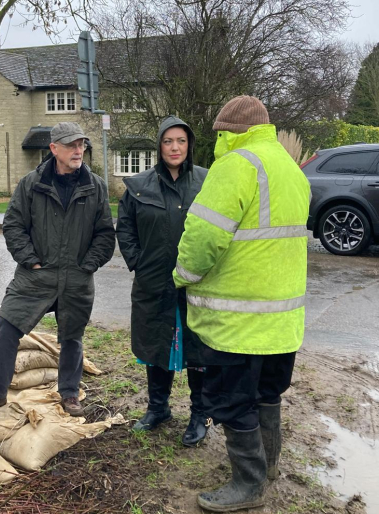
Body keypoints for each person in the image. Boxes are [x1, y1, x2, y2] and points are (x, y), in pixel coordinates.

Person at [172, 96, 311, 511]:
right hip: (282, 321)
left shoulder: (235, 165)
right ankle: (267, 468)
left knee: (234, 403)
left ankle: (248, 487)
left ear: (227, 132)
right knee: (269, 393)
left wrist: (182, 275)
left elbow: (203, 237)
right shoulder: (288, 167)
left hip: (237, 324)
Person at [0, 122, 116, 417]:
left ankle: (70, 394)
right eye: (71, 145)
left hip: (76, 276)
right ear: (54, 149)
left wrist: (89, 264)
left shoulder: (95, 186)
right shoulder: (31, 184)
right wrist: (29, 259)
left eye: (81, 144)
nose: (77, 150)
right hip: (35, 274)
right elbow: (14, 224)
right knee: (7, 326)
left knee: (72, 335)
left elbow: (105, 234)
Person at [116, 116, 210, 447]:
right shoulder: (139, 185)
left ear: (190, 145)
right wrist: (139, 262)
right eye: (168, 141)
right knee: (156, 346)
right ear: (159, 146)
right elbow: (124, 225)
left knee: (199, 350)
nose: (174, 147)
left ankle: (202, 415)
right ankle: (159, 408)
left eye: (181, 141)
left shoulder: (207, 182)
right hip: (153, 283)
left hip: (197, 285)